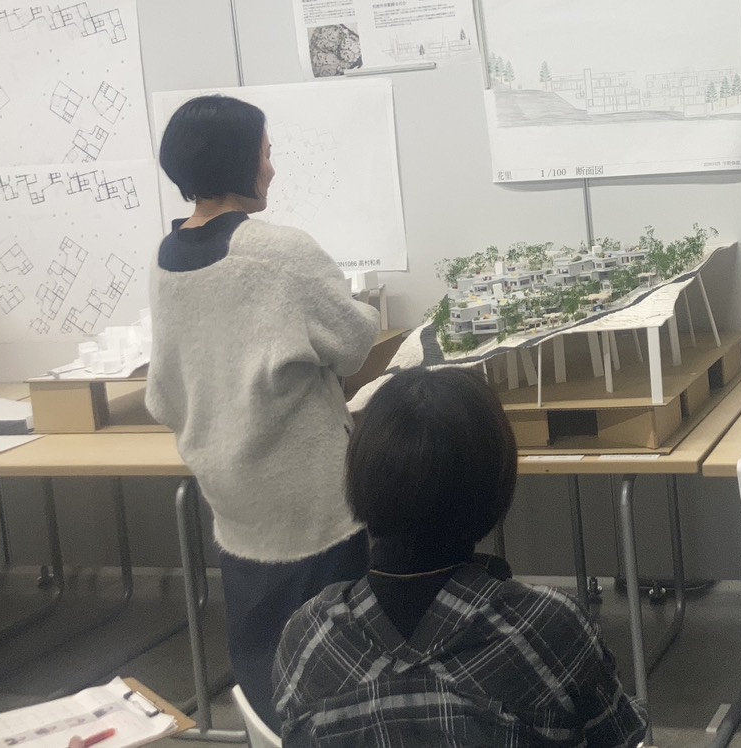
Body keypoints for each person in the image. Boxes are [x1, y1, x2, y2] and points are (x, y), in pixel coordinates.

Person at [146, 95, 380, 733]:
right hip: (312, 505)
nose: (271, 169)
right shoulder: (280, 253)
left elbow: (162, 396)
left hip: (234, 507)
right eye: (266, 154)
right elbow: (353, 343)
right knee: (334, 667)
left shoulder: (165, 260)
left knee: (264, 665)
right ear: (240, 160)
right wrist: (365, 311)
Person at [273, 367, 647, 748]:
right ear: (495, 485)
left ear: (360, 473)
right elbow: (619, 736)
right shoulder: (547, 630)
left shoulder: (306, 641)